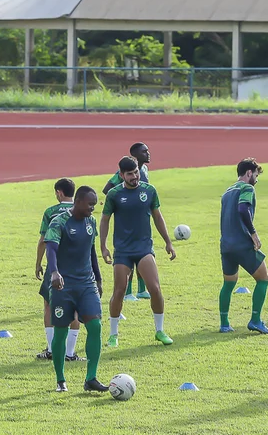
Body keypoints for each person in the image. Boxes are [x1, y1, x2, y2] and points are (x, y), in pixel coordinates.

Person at [100, 155, 176, 347]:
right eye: (130, 174)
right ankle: (113, 334)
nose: (135, 176)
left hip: (144, 248)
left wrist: (168, 242)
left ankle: (159, 331)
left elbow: (158, 217)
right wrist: (103, 245)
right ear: (121, 175)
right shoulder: (114, 195)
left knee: (155, 289)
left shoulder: (149, 191)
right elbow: (105, 219)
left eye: (136, 172)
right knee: (119, 291)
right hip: (123, 251)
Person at [44, 186, 107, 392]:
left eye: (94, 204)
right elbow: (51, 248)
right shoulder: (59, 222)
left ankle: (91, 378)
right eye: (90, 204)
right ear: (78, 201)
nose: (92, 208)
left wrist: (98, 278)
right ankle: (60, 379)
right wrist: (54, 272)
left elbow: (91, 251)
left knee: (95, 326)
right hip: (63, 286)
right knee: (61, 332)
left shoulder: (91, 222)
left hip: (86, 284)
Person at [218, 158, 268, 334]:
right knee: (263, 279)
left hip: (226, 246)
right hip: (242, 244)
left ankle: (224, 324)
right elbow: (243, 209)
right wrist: (253, 234)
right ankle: (255, 320)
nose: (256, 180)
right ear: (249, 173)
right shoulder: (246, 188)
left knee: (228, 284)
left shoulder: (227, 192)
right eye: (256, 175)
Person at [35, 178, 83, 361]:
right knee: (74, 308)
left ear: (59, 192)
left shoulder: (51, 212)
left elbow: (43, 241)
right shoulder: (81, 210)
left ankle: (51, 349)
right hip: (76, 267)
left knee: (48, 304)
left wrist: (38, 262)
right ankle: (70, 353)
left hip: (55, 266)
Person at [104, 142, 152, 301]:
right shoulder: (123, 171)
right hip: (127, 219)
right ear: (135, 155)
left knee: (144, 253)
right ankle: (128, 292)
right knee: (129, 255)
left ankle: (142, 290)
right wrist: (122, 201)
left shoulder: (143, 169)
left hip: (142, 218)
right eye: (144, 151)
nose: (148, 153)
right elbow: (107, 188)